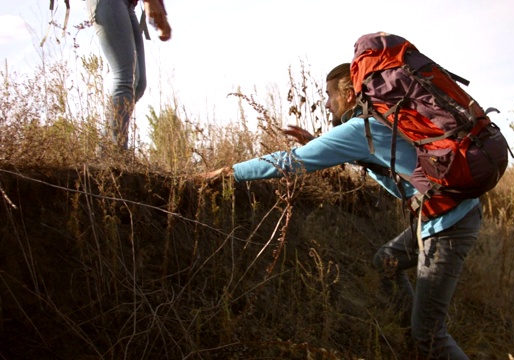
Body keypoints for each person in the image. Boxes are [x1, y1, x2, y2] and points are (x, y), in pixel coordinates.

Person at [201, 63, 483, 359]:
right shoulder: (379, 120)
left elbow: (291, 162)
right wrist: (316, 143)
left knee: (430, 334)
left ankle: (419, 339)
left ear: (348, 94)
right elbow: (373, 154)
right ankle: (410, 338)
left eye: (329, 94)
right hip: (450, 214)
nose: (325, 103)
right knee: (386, 261)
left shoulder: (361, 127)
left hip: (447, 225)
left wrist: (228, 172)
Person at [86, 0, 171, 151]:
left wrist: (160, 11)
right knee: (125, 77)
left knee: (137, 84)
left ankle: (106, 152)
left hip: (127, 4)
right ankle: (114, 156)